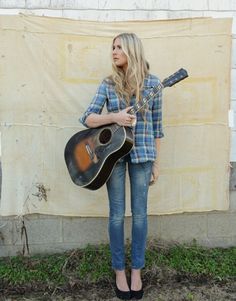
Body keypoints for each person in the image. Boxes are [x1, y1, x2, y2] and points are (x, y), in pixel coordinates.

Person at [80, 33, 164, 300]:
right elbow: (87, 118)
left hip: (143, 156)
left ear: (132, 50)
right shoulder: (108, 84)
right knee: (116, 215)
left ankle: (136, 270)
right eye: (112, 47)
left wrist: (156, 164)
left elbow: (158, 129)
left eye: (119, 47)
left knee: (140, 216)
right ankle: (119, 270)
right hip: (112, 158)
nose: (114, 52)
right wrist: (115, 117)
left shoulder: (153, 84)